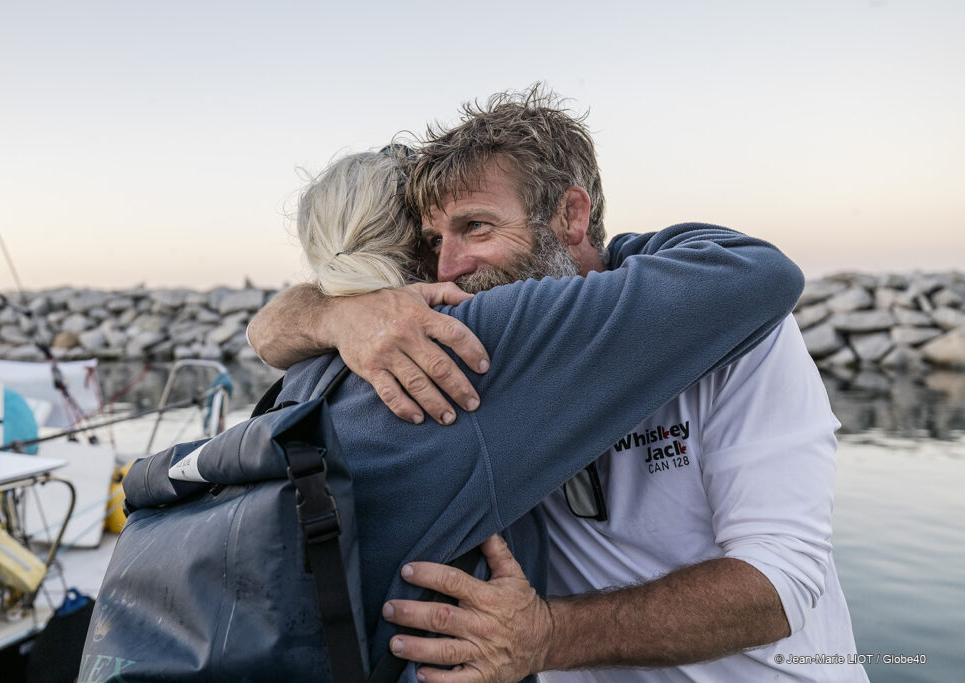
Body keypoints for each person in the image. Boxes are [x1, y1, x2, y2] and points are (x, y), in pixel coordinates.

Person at [248, 87, 865, 682]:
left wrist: (549, 636)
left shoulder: (735, 327)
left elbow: (782, 581)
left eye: (477, 227)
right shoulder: (455, 341)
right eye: (433, 240)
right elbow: (270, 330)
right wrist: (338, 314)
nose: (447, 267)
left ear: (571, 214)